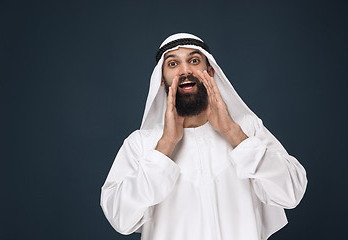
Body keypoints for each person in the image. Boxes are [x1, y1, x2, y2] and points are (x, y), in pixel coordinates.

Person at [100, 33, 307, 240]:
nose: (185, 70)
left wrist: (233, 134)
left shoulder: (247, 129)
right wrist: (165, 145)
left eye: (194, 61)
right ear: (162, 81)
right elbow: (120, 219)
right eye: (173, 64)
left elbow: (291, 193)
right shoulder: (141, 143)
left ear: (210, 71)